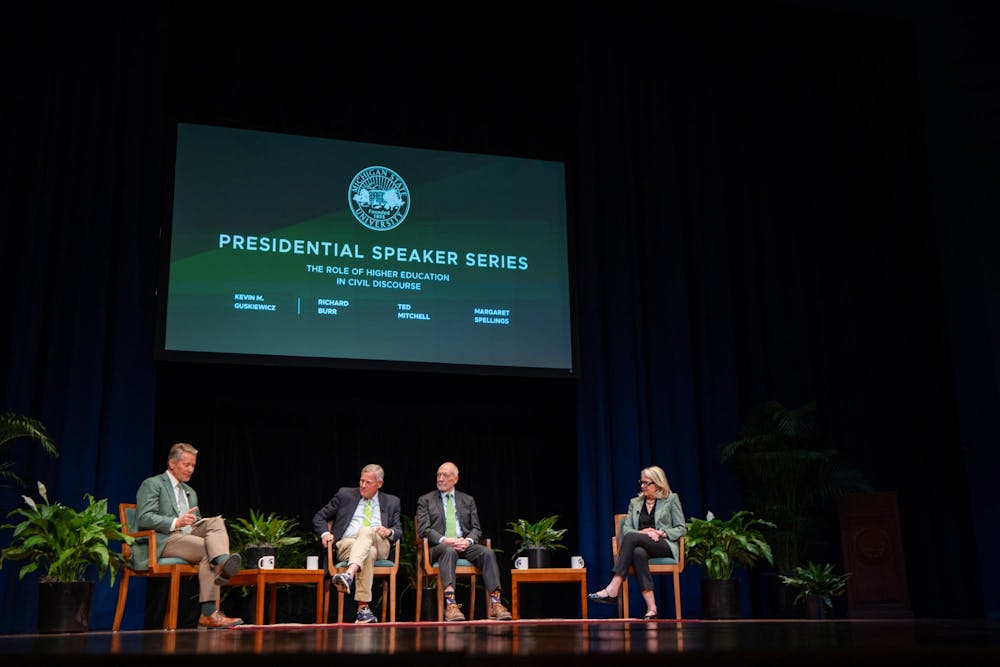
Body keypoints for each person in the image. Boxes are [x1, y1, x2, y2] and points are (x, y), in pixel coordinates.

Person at [135, 442, 244, 629]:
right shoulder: (153, 484)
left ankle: (223, 561)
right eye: (187, 465)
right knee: (209, 550)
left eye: (193, 465)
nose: (191, 470)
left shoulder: (190, 492)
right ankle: (209, 612)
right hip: (164, 539)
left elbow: (195, 520)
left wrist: (196, 521)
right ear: (172, 463)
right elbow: (144, 517)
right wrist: (176, 522)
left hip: (188, 535)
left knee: (217, 523)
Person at [415, 461, 512, 621]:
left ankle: (496, 603)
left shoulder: (467, 500)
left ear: (455, 479)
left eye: (444, 475)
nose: (440, 479)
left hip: (463, 545)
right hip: (438, 548)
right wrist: (446, 540)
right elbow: (423, 529)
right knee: (449, 550)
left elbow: (476, 528)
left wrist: (467, 541)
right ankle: (451, 604)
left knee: (487, 553)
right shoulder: (426, 500)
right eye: (438, 475)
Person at [588, 465, 686, 619]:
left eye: (647, 483)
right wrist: (643, 533)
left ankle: (614, 587)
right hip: (642, 544)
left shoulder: (671, 499)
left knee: (631, 538)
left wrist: (660, 532)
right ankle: (652, 607)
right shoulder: (635, 502)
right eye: (642, 482)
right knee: (637, 553)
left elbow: (681, 528)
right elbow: (626, 529)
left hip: (663, 544)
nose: (643, 486)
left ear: (658, 483)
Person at [312, 463, 402, 624]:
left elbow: (398, 529)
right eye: (361, 481)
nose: (363, 485)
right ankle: (363, 609)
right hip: (347, 544)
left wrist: (389, 532)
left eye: (368, 483)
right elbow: (319, 517)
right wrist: (325, 534)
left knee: (367, 531)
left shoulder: (392, 501)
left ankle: (348, 574)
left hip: (379, 542)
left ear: (379, 484)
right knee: (369, 552)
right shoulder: (345, 494)